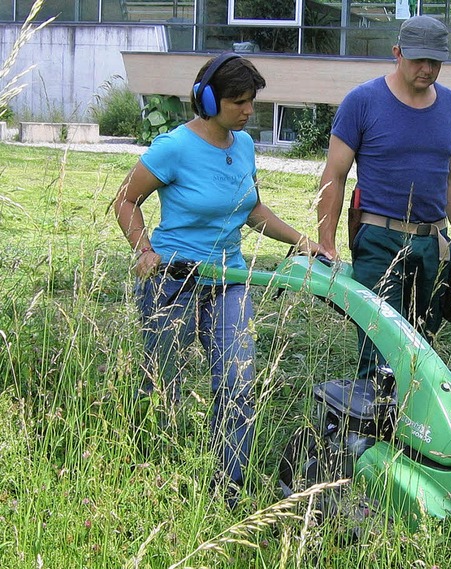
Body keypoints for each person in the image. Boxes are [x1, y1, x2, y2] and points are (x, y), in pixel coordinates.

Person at [114, 53, 325, 504]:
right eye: (238, 102)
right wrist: (143, 250)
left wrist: (301, 240)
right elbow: (126, 201)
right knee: (162, 383)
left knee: (238, 382)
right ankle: (149, 478)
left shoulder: (244, 145)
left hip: (229, 279)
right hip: (174, 279)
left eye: (251, 101)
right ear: (208, 100)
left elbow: (251, 210)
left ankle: (226, 489)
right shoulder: (173, 147)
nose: (248, 111)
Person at [317, 15, 451, 378]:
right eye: (418, 60)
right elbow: (334, 175)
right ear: (397, 53)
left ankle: (410, 428)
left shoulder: (450, 104)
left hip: (433, 244)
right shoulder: (362, 101)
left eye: (435, 61)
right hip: (380, 241)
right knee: (380, 349)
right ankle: (369, 430)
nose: (427, 69)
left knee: (422, 349)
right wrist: (326, 245)